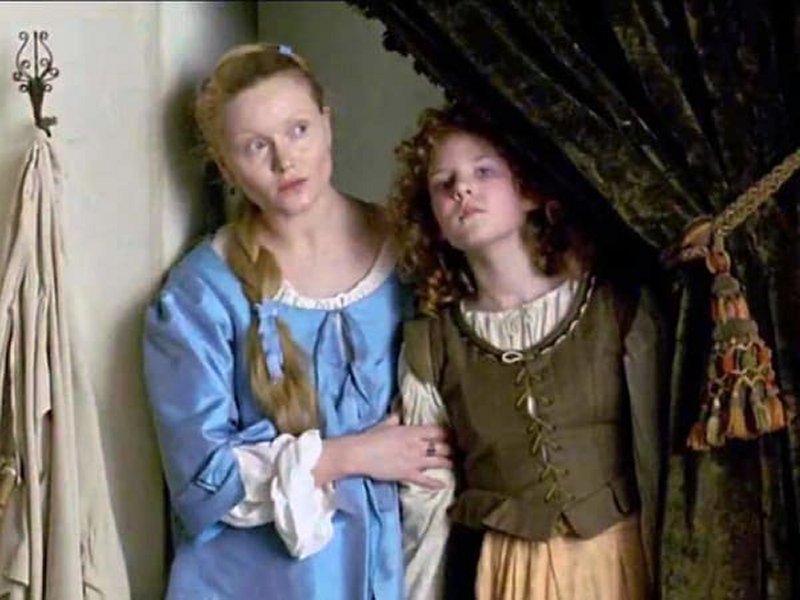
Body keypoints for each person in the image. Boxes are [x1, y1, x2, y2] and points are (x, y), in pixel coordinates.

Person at [142, 43, 451, 600]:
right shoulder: (200, 295)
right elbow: (203, 480)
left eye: (298, 130)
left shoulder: (409, 251)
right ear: (225, 167)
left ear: (327, 123)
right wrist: (349, 456)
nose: (285, 161)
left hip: (403, 567)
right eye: (255, 146)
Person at [390, 104, 666, 600]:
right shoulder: (432, 344)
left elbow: (656, 456)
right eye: (443, 183)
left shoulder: (616, 307)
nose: (462, 189)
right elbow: (427, 497)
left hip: (619, 557)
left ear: (530, 190)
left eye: (483, 171)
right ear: (433, 220)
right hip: (506, 572)